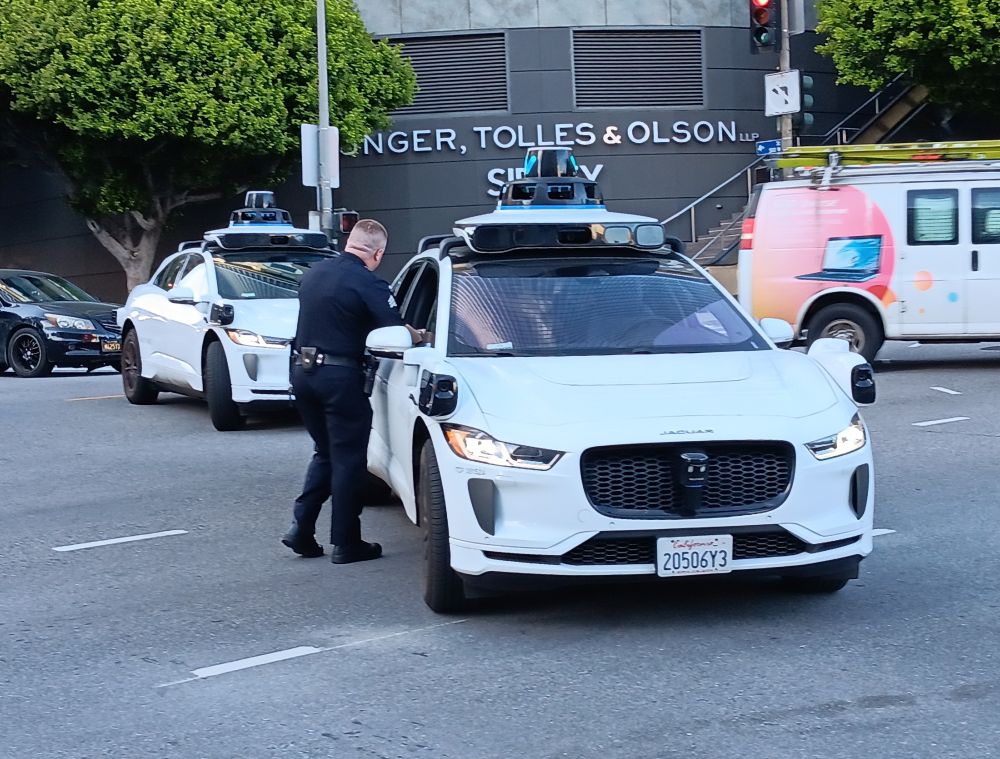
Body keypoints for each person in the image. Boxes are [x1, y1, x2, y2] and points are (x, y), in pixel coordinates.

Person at [282, 219, 424, 563]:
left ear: (349, 242)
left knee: (326, 452)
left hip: (302, 373)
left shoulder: (314, 274)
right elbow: (393, 331)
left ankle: (301, 528)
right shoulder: (368, 282)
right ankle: (346, 543)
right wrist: (420, 336)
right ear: (378, 253)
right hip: (339, 378)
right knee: (348, 459)